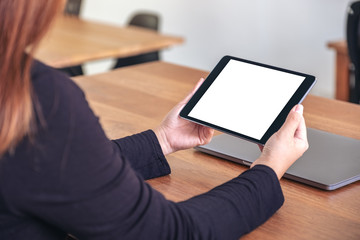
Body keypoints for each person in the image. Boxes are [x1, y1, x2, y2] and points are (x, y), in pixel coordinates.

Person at [0, 1, 308, 239]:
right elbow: (170, 232)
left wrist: (162, 140)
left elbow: (45, 166)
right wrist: (268, 169)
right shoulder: (35, 99)